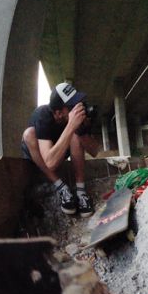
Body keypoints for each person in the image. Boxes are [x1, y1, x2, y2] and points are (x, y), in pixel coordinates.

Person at [21, 82, 99, 217]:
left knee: (76, 133)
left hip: (59, 151)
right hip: (39, 159)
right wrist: (71, 126)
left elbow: (95, 151)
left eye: (78, 103)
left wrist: (81, 130)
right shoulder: (42, 115)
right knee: (28, 134)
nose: (77, 109)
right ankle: (61, 187)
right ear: (58, 113)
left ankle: (81, 192)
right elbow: (50, 163)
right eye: (72, 107)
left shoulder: (76, 118)